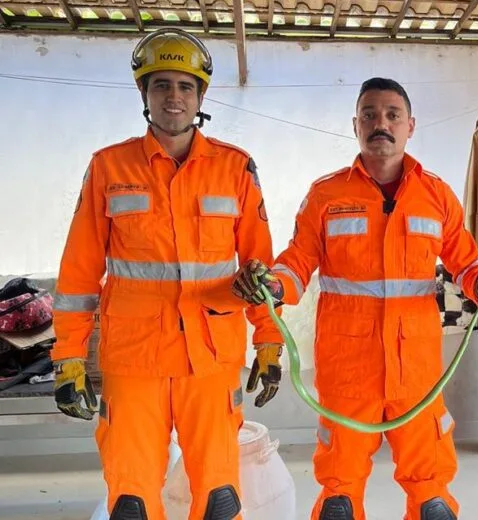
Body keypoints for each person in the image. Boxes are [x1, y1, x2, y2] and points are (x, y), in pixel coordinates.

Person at [231, 77, 478, 520]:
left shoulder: (436, 195)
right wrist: (274, 284)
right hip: (348, 372)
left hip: (417, 375)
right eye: (369, 115)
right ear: (356, 125)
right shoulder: (327, 195)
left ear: (410, 125)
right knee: (339, 501)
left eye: (392, 115)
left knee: (432, 502)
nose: (380, 123)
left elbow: (465, 262)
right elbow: (297, 261)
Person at [50, 28, 283, 520]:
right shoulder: (109, 167)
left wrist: (268, 342)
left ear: (200, 96)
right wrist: (68, 356)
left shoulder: (236, 169)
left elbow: (259, 270)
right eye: (161, 85)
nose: (173, 96)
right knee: (131, 501)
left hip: (210, 359)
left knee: (220, 499)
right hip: (135, 359)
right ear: (144, 93)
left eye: (184, 86)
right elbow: (79, 272)